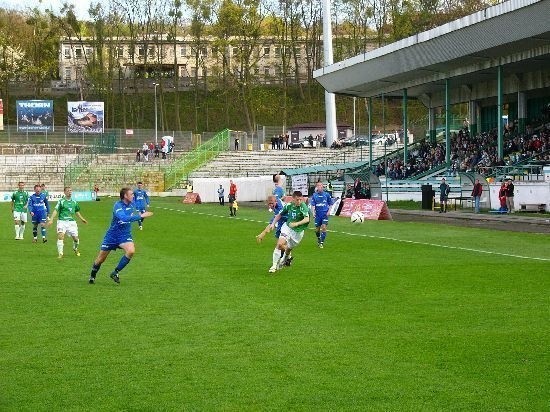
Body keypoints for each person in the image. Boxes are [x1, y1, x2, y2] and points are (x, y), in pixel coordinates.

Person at [88, 187, 153, 284]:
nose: (133, 195)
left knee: (131, 251)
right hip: (112, 236)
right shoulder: (117, 206)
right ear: (125, 196)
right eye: (131, 194)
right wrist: (140, 216)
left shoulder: (132, 203)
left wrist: (142, 212)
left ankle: (115, 272)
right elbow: (124, 218)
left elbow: (138, 209)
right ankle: (92, 276)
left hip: (124, 235)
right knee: (100, 259)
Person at [268, 190, 310, 273]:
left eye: (300, 199)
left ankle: (285, 258)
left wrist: (296, 224)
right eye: (297, 199)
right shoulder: (289, 205)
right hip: (287, 227)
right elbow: (279, 214)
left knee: (288, 249)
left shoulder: (303, 206)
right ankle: (273, 266)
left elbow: (307, 219)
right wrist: (273, 224)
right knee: (279, 244)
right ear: (293, 199)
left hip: (298, 232)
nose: (299, 201)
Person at [48, 187, 88, 258]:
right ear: (64, 192)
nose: (70, 192)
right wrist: (51, 219)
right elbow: (56, 210)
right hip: (62, 221)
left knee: (75, 238)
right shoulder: (61, 201)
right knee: (60, 236)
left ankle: (75, 248)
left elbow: (76, 211)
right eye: (68, 191)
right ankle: (60, 253)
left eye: (70, 190)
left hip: (71, 223)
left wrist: (82, 219)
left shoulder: (74, 202)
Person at [256, 195, 293, 267]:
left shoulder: (280, 207)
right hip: (281, 221)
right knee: (280, 243)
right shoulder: (276, 204)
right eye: (269, 204)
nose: (270, 205)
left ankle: (282, 261)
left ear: (275, 201)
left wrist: (263, 233)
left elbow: (273, 221)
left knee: (280, 244)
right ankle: (288, 258)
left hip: (288, 223)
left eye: (272, 203)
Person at [310, 181, 333, 249]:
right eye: (318, 186)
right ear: (317, 187)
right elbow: (313, 205)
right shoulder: (314, 195)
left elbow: (330, 203)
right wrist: (313, 213)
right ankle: (319, 238)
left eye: (321, 185)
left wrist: (329, 211)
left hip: (324, 214)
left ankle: (321, 242)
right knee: (317, 230)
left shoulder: (327, 195)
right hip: (317, 215)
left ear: (323, 187)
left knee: (324, 227)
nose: (319, 187)